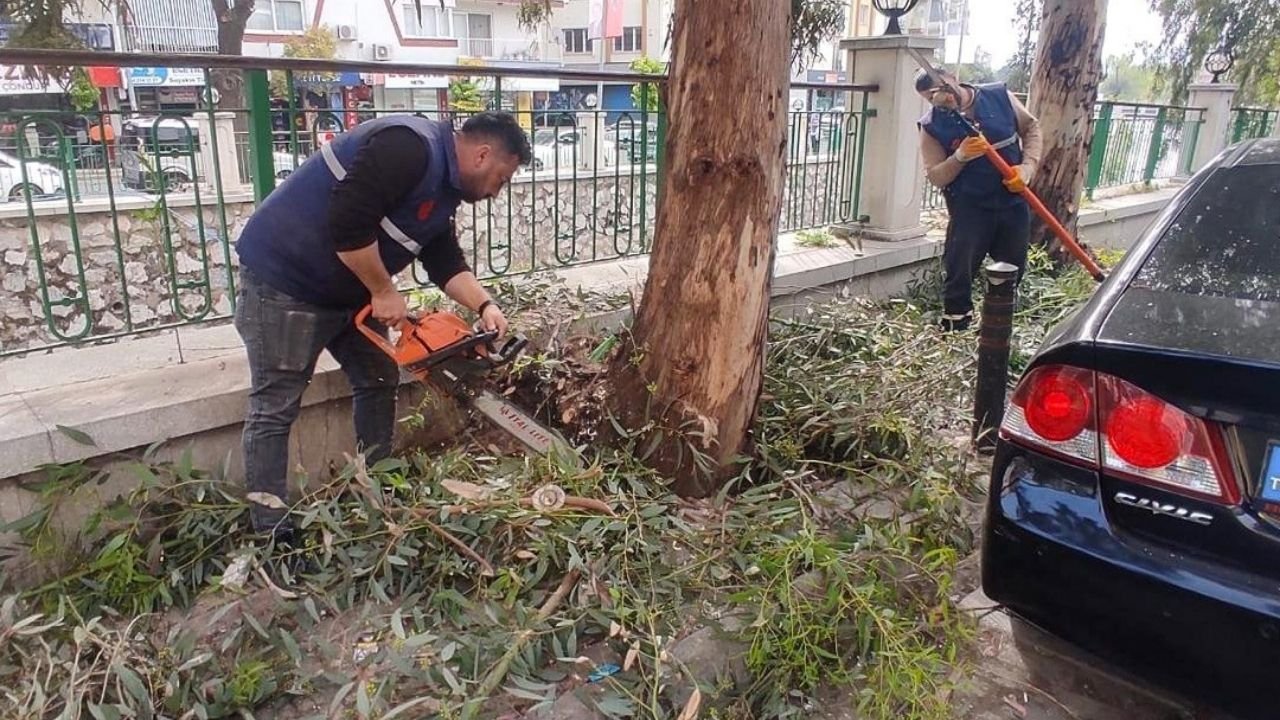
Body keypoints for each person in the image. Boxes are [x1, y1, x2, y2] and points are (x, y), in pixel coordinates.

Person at [232, 111, 532, 542]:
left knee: (377, 378)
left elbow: (443, 261)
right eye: (501, 179)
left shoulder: (443, 190)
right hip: (286, 282)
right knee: (275, 405)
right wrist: (382, 289)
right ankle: (271, 531)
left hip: (349, 293)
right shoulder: (408, 146)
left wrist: (485, 305)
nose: (495, 193)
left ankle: (376, 489)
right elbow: (349, 220)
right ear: (483, 154)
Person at [916, 69, 1042, 331]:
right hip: (969, 208)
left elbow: (1031, 128)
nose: (939, 97)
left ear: (953, 76)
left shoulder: (999, 96)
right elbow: (936, 176)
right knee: (959, 270)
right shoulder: (931, 126)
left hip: (1011, 201)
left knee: (1012, 268)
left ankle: (998, 327)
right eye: (931, 97)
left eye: (941, 87)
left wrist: (1027, 168)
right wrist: (959, 157)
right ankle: (956, 326)